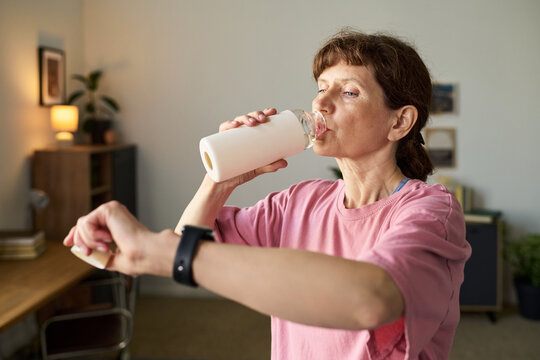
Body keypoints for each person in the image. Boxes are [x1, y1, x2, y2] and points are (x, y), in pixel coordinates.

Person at [64, 29, 471, 359]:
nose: (320, 103)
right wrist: (221, 179)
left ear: (400, 121)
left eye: (348, 92)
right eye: (321, 87)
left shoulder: (431, 211)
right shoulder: (300, 201)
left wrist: (156, 253)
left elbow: (371, 299)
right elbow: (192, 248)